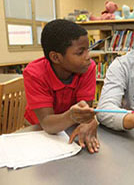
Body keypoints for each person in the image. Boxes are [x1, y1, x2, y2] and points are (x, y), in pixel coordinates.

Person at [23, 19, 99, 153]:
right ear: (56, 57)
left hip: (69, 127)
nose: (88, 57)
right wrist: (73, 116)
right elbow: (47, 123)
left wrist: (89, 120)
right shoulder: (34, 73)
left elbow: (84, 111)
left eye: (88, 49)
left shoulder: (88, 68)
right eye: (80, 52)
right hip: (38, 129)